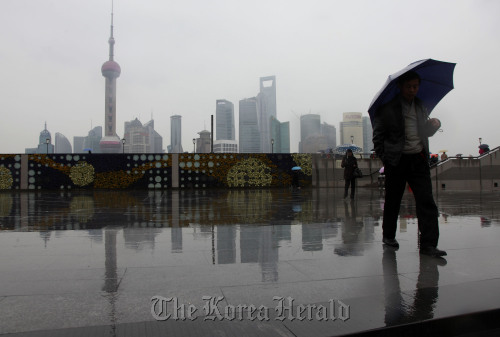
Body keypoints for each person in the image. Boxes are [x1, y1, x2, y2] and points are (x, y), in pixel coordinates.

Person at [372, 70, 446, 257]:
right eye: (409, 87)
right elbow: (378, 137)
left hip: (418, 159)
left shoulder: (421, 106)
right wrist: (386, 157)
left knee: (426, 201)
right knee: (393, 201)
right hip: (397, 160)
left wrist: (434, 125)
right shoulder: (387, 108)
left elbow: (425, 133)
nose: (412, 90)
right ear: (400, 87)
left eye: (415, 86)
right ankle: (388, 236)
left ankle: (429, 245)